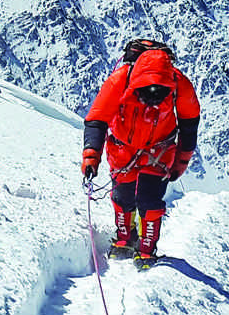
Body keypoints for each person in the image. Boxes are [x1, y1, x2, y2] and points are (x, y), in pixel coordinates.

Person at [80, 38, 199, 267]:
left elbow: (189, 124)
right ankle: (126, 237)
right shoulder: (120, 81)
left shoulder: (179, 84)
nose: (153, 99)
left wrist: (182, 160)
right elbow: (97, 119)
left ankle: (146, 248)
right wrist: (91, 156)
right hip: (124, 149)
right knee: (122, 197)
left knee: (149, 199)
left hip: (159, 150)